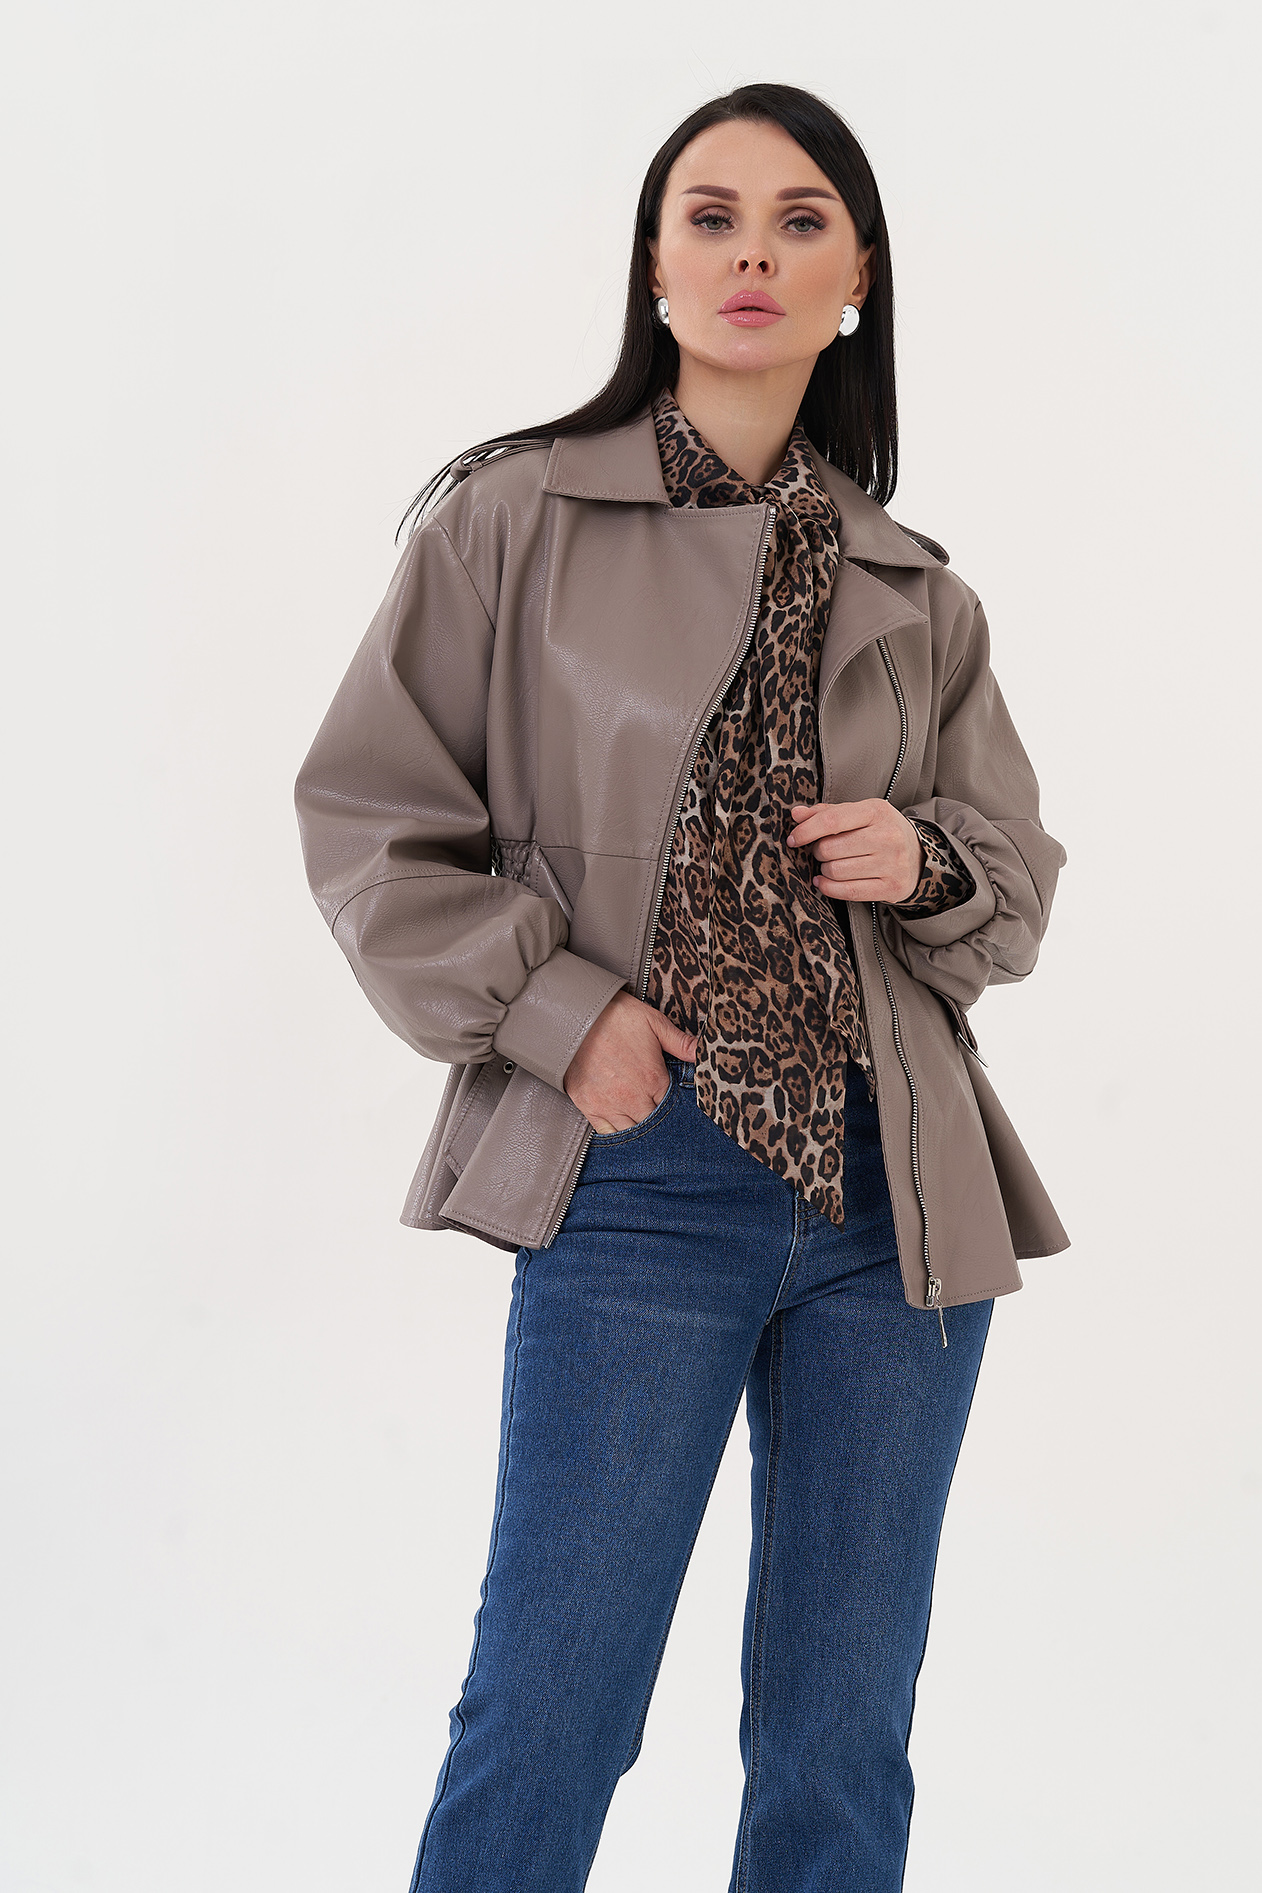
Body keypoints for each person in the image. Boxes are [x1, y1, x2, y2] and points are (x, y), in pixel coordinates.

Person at [295, 81, 1069, 1893]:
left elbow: (1013, 888)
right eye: (710, 217)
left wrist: (924, 860)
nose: (752, 255)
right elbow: (371, 826)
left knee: (837, 1745)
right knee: (550, 1710)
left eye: (801, 223)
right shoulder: (510, 521)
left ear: (856, 280)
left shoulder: (918, 591)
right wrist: (562, 1015)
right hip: (637, 1181)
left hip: (894, 1201)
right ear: (651, 264)